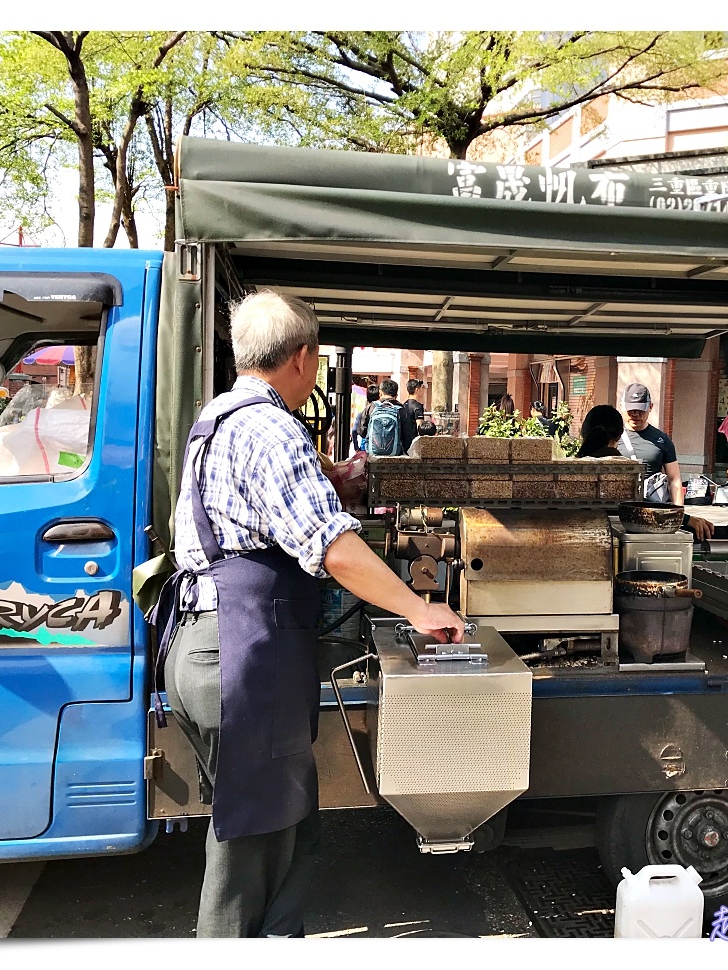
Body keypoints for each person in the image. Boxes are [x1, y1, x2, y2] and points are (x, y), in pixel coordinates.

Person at [158, 292, 465, 938]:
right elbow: (334, 549)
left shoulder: (215, 417)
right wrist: (417, 606)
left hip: (197, 647)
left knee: (286, 829)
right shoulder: (272, 429)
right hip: (243, 657)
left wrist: (333, 481)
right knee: (253, 847)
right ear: (302, 358)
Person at [618, 383, 683, 506]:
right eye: (631, 410)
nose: (635, 414)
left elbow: (674, 479)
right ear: (621, 407)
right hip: (618, 507)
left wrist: (678, 511)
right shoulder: (613, 438)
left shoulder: (662, 440)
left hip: (652, 508)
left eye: (640, 410)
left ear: (650, 407)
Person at [367, 379, 411, 456]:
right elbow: (407, 434)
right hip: (395, 453)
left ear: (380, 393)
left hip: (373, 454)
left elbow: (361, 430)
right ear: (396, 395)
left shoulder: (372, 407)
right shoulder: (401, 409)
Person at [352, 384, 380, 452]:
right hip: (381, 446)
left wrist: (356, 448)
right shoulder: (383, 410)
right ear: (379, 396)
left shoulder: (363, 412)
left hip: (366, 447)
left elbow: (354, 431)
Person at [402, 378, 426, 448]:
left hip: (403, 442)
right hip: (413, 442)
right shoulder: (418, 406)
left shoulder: (403, 405)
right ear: (417, 390)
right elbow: (420, 427)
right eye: (422, 388)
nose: (423, 390)